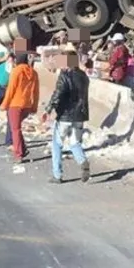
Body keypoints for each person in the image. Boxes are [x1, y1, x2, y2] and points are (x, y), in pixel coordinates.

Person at [43, 49, 90, 184]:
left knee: (57, 144)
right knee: (75, 143)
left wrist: (49, 109)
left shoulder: (64, 76)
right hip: (80, 115)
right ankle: (82, 161)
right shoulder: (83, 76)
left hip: (65, 115)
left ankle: (57, 175)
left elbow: (58, 94)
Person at [0, 52, 39, 163]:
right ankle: (23, 149)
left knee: (15, 129)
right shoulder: (34, 73)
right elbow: (36, 92)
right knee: (16, 127)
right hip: (27, 105)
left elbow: (11, 89)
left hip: (15, 105)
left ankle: (18, 154)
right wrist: (34, 106)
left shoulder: (16, 71)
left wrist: (4, 104)